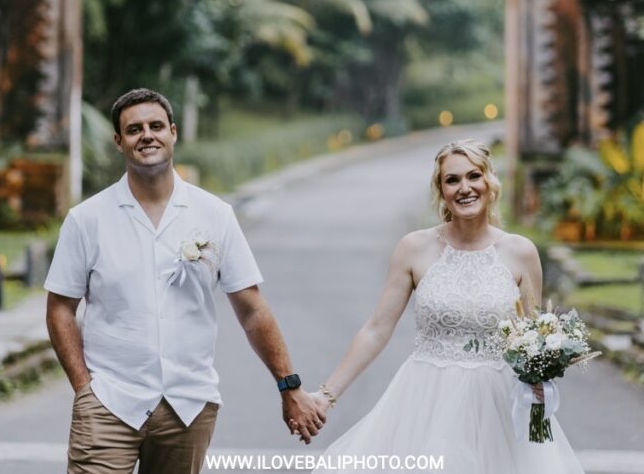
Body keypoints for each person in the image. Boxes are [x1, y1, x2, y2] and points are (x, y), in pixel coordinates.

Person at [45, 89, 326, 474]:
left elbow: (252, 310)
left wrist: (288, 385)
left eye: (156, 126)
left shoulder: (215, 214)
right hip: (109, 401)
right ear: (119, 141)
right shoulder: (87, 219)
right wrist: (84, 389)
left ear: (173, 133)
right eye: (134, 129)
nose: (147, 135)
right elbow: (60, 308)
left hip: (188, 405)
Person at [305, 139, 585, 473]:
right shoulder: (414, 248)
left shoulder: (521, 252)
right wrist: (326, 395)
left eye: (473, 176)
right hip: (426, 401)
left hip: (498, 405)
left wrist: (541, 374)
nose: (465, 188)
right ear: (441, 190)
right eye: (452, 180)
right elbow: (376, 330)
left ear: (489, 181)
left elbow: (533, 336)